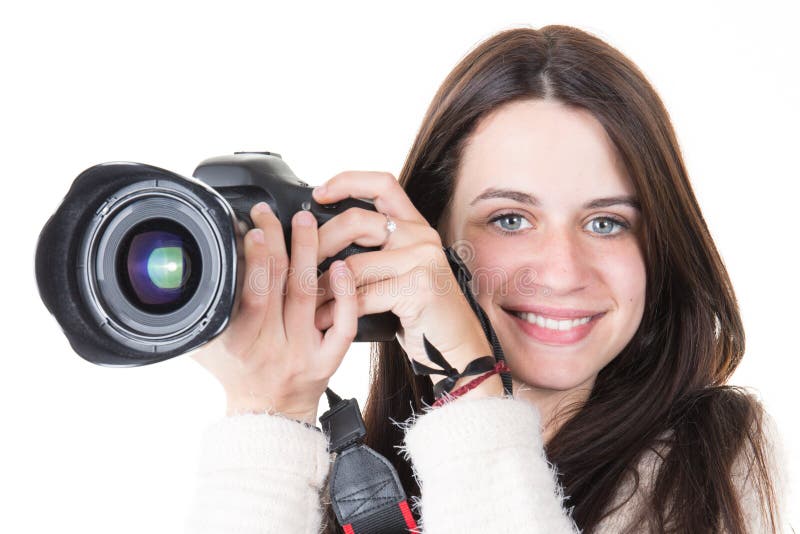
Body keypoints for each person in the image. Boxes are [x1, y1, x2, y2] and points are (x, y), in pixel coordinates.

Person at [185, 26, 786, 533]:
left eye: (606, 222)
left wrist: (470, 379)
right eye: (510, 219)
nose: (561, 270)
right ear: (427, 238)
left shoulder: (714, 461)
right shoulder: (356, 482)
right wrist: (269, 416)